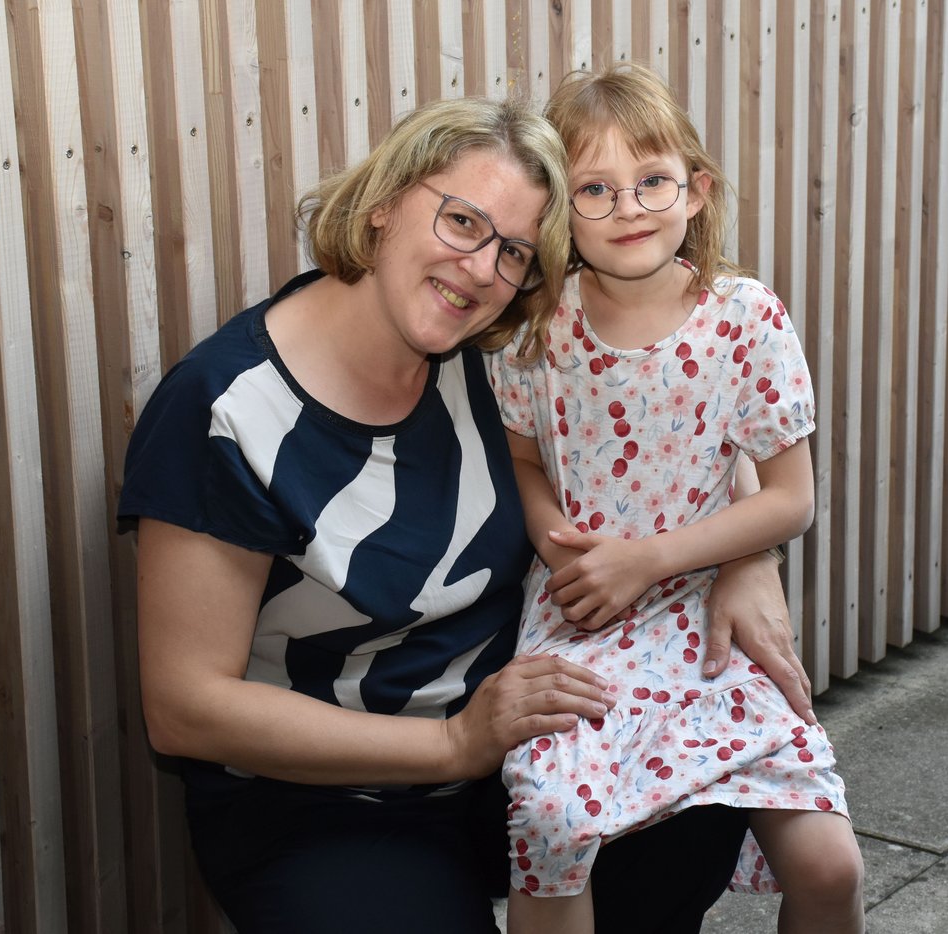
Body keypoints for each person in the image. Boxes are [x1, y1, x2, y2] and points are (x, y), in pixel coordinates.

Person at [119, 93, 817, 934]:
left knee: (694, 809)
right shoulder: (226, 412)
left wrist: (746, 562)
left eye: (515, 250)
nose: (482, 269)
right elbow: (185, 705)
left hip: (520, 746)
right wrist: (454, 744)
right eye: (461, 222)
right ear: (382, 204)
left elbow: (682, 434)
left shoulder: (491, 350)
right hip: (331, 801)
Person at [488, 63, 865, 934]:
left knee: (831, 865)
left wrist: (652, 559)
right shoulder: (538, 330)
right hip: (582, 615)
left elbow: (788, 499)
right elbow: (521, 456)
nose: (629, 208)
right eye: (595, 189)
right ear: (556, 212)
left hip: (703, 615)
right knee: (551, 818)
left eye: (650, 180)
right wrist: (563, 550)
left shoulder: (744, 318)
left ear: (694, 191)